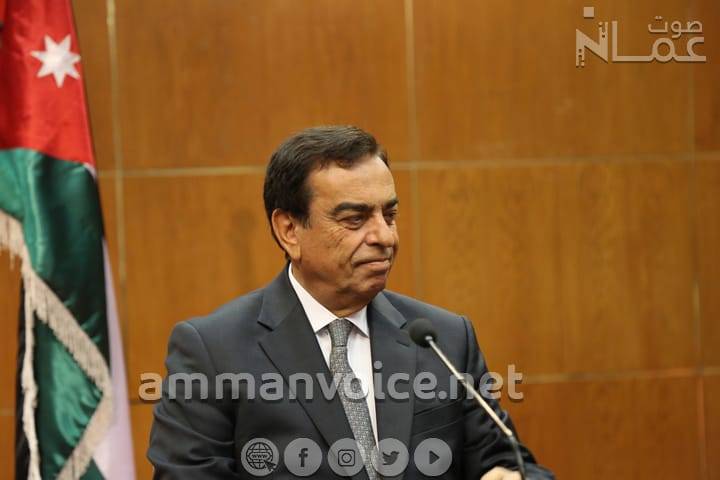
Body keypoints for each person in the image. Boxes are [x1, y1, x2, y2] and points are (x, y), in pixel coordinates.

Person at [148, 126, 554, 479]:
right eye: (355, 219)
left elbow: (507, 461)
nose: (385, 237)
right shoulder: (214, 352)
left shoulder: (444, 339)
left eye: (389, 215)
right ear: (289, 230)